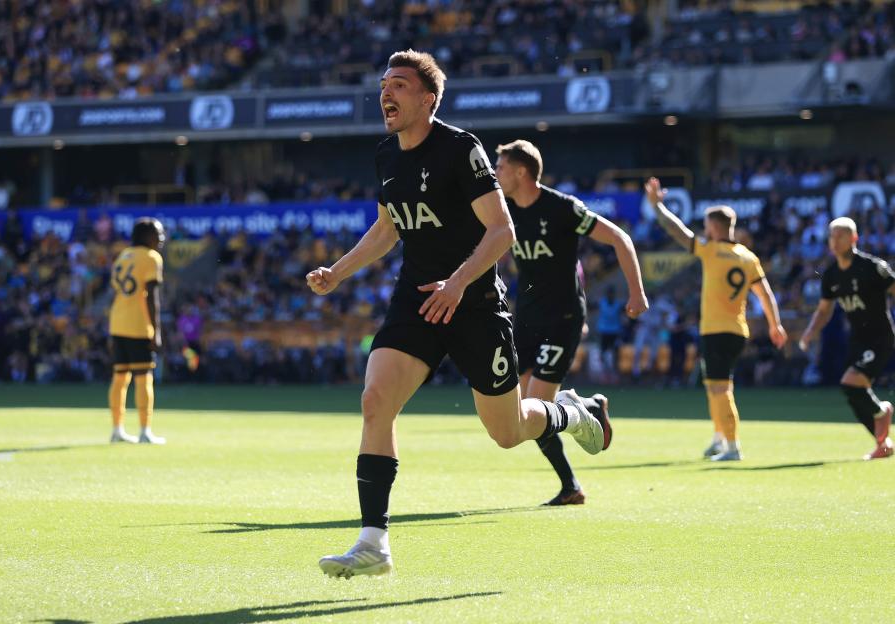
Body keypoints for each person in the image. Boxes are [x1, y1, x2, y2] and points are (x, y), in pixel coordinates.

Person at [307, 50, 611, 579]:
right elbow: (387, 229)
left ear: (428, 99)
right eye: (384, 84)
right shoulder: (386, 155)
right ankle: (373, 542)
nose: (386, 93)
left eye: (399, 85)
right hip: (417, 301)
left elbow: (502, 231)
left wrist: (458, 283)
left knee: (508, 432)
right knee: (376, 402)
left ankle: (570, 411)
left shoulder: (460, 149)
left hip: (474, 304)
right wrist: (338, 271)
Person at [494, 139, 648, 505]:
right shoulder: (504, 210)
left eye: (500, 167)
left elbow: (620, 238)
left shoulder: (562, 208)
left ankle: (573, 473)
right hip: (526, 316)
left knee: (536, 406)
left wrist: (637, 293)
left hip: (562, 318)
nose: (495, 174)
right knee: (522, 413)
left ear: (521, 172)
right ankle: (574, 472)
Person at [644, 178, 787, 461]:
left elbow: (677, 230)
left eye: (707, 225)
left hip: (716, 331)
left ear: (714, 227)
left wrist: (658, 206)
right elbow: (765, 294)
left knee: (720, 388)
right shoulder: (748, 257)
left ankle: (732, 446)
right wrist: (775, 324)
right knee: (714, 386)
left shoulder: (710, 249)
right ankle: (719, 439)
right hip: (736, 329)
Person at [799, 217, 895, 460]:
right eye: (832, 236)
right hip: (857, 339)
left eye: (841, 235)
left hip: (880, 337)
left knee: (851, 382)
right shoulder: (831, 275)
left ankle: (882, 411)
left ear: (854, 238)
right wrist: (810, 332)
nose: (835, 241)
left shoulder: (873, 267)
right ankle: (882, 444)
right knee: (852, 392)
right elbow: (824, 310)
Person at [108, 218, 166, 445]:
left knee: (120, 378)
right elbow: (152, 297)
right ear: (146, 236)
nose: (161, 238)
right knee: (144, 378)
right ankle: (145, 431)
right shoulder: (151, 257)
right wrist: (156, 331)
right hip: (138, 325)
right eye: (158, 234)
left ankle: (117, 430)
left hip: (117, 322)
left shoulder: (124, 255)